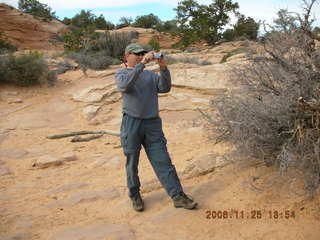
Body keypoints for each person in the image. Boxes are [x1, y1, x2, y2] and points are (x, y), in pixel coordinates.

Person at [115, 43, 197, 211]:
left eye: (142, 54)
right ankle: (135, 195)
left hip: (152, 124)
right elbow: (125, 86)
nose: (140, 56)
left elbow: (164, 88)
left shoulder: (150, 76)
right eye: (136, 54)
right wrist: (141, 65)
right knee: (132, 162)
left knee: (163, 161)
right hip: (132, 123)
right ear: (126, 56)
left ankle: (178, 196)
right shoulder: (122, 73)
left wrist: (163, 68)